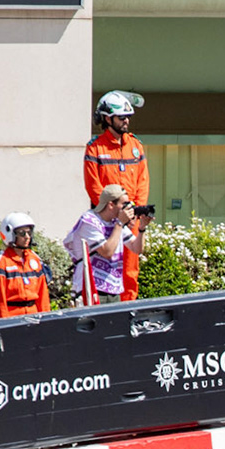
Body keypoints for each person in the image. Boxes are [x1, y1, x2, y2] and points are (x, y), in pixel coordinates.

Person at [85, 91, 148, 301]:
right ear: (107, 118)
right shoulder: (95, 148)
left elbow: (142, 183)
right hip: (106, 223)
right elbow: (94, 187)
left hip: (130, 220)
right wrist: (112, 214)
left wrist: (134, 214)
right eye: (122, 117)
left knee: (130, 272)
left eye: (128, 117)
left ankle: (128, 313)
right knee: (104, 272)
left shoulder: (136, 146)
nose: (126, 121)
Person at [63, 184, 146, 304]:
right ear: (111, 205)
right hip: (92, 287)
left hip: (114, 287)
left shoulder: (116, 222)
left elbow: (136, 248)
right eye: (124, 204)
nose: (127, 209)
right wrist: (119, 223)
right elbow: (107, 252)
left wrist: (142, 228)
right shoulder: (89, 221)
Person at [0, 212, 53, 319]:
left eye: (29, 233)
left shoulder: (35, 260)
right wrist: (3, 326)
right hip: (13, 319)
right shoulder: (0, 263)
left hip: (35, 316)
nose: (27, 237)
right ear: (10, 234)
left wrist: (46, 321)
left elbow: (43, 296)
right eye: (22, 233)